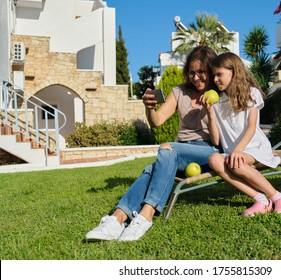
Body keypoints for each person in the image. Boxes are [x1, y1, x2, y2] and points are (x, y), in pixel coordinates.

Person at [85, 46, 221, 242]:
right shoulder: (179, 92)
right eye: (192, 72)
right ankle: (117, 219)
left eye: (201, 72)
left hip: (207, 150)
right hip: (180, 150)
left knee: (167, 149)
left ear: (210, 70)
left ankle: (145, 215)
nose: (196, 77)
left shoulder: (219, 93)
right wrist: (149, 107)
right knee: (154, 167)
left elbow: (222, 138)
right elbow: (157, 121)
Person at [202, 52, 281, 216]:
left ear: (234, 71)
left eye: (219, 74)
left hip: (254, 146)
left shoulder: (251, 94)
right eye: (214, 75)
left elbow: (252, 127)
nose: (215, 79)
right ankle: (260, 199)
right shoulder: (216, 102)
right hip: (234, 153)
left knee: (235, 162)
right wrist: (209, 113)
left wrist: (238, 150)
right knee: (214, 160)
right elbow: (216, 139)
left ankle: (279, 198)